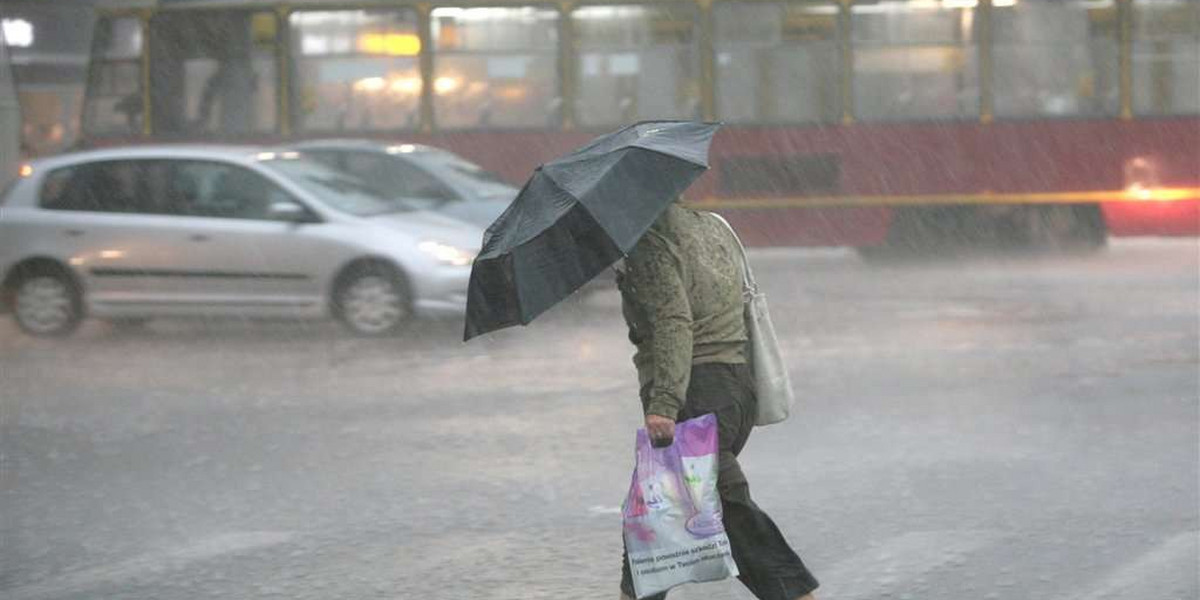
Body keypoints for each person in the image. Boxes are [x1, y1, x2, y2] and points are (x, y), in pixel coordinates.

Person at [616, 201, 819, 600]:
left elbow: (674, 321)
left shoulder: (650, 242)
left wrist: (665, 402)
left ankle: (798, 596)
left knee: (727, 513)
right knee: (656, 512)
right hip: (734, 385)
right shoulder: (713, 226)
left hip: (694, 394)